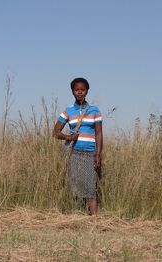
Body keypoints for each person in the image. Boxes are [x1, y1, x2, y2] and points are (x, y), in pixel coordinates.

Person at [53, 77, 103, 216]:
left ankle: (94, 220)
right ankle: (78, 215)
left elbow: (99, 133)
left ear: (87, 91)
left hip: (90, 153)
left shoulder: (94, 110)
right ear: (72, 92)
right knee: (76, 185)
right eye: (76, 90)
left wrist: (98, 154)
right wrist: (68, 137)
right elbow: (55, 132)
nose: (79, 92)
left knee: (91, 186)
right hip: (74, 153)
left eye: (82, 89)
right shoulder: (68, 111)